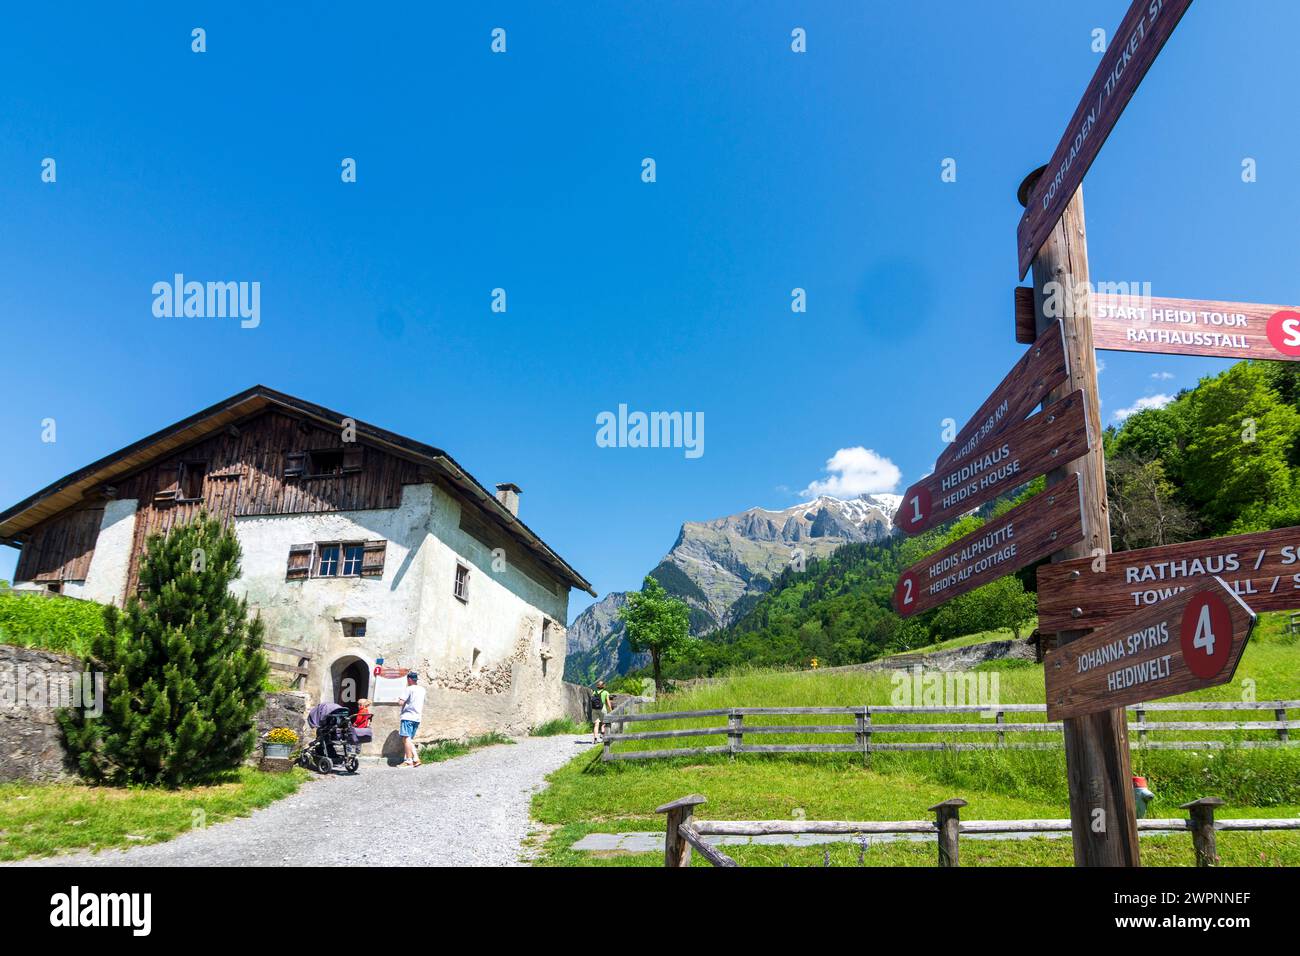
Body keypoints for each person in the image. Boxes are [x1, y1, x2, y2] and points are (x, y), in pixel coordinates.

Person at [396, 672, 425, 767]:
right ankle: (416, 759)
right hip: (417, 717)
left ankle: (409, 761)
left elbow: (401, 702)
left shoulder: (409, 689)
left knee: (406, 739)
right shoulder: (422, 689)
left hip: (408, 716)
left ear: (409, 679)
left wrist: (398, 700)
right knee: (408, 739)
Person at [591, 680, 611, 745]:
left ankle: (595, 739)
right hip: (602, 709)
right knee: (604, 723)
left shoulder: (594, 692)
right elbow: (608, 702)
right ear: (603, 686)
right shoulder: (605, 692)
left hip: (594, 709)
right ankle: (602, 733)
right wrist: (610, 709)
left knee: (596, 725)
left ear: (597, 686)